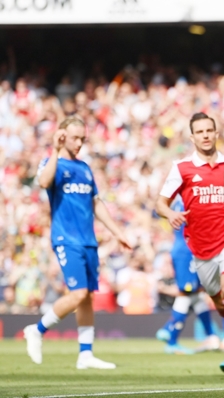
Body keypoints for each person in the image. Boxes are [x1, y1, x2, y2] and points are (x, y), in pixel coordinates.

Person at [23, 117, 132, 369]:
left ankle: (85, 354)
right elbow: (43, 182)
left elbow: (96, 203)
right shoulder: (52, 164)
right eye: (75, 137)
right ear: (62, 135)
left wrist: (117, 232)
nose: (80, 142)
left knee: (86, 298)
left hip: (88, 241)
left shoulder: (84, 167)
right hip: (66, 239)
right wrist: (54, 148)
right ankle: (37, 330)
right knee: (78, 293)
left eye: (83, 138)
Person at [156, 112, 224, 374]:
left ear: (216, 133)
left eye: (209, 130)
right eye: (200, 131)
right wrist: (171, 213)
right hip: (201, 248)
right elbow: (159, 203)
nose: (206, 135)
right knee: (219, 301)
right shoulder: (182, 168)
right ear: (192, 136)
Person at [155, 196, 221, 355]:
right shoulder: (190, 199)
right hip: (187, 250)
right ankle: (170, 333)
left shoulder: (179, 199)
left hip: (185, 248)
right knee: (188, 292)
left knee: (197, 294)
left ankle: (211, 336)